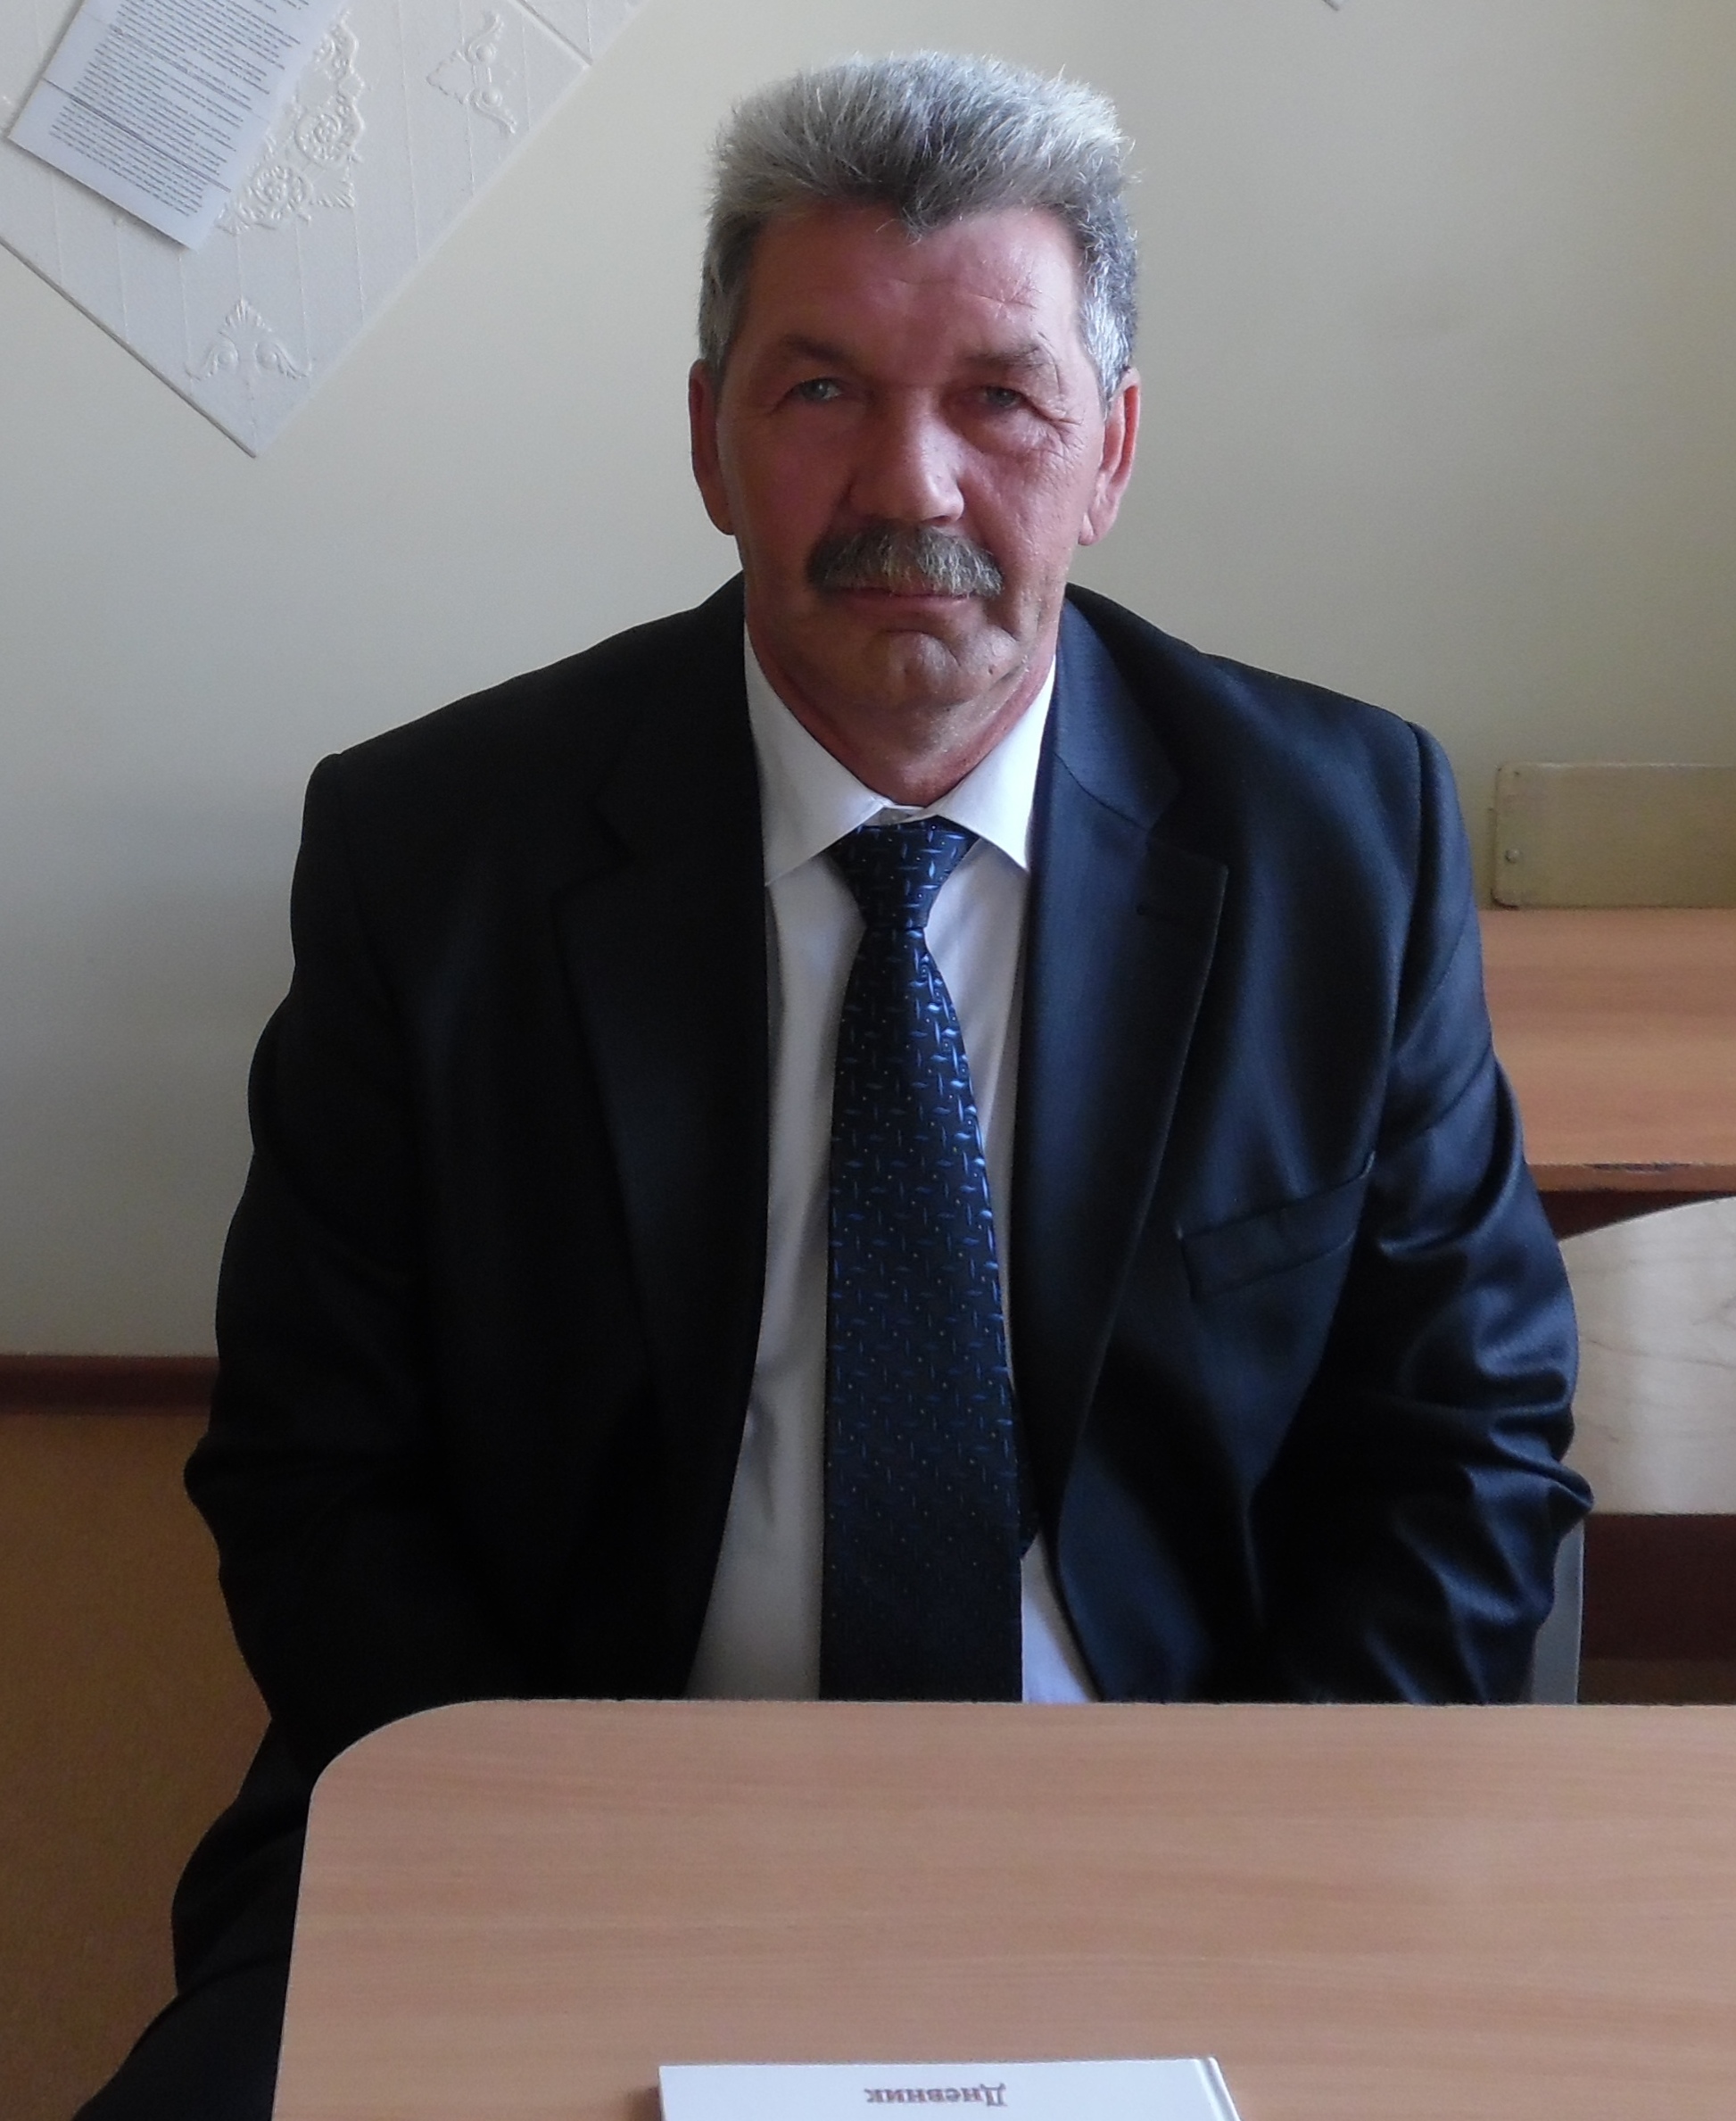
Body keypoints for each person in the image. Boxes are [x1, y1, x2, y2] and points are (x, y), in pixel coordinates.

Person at [78, 51, 1587, 2121]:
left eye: (1002, 398)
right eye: (821, 392)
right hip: (568, 1823)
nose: (914, 490)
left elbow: (1466, 1454)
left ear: (1112, 447)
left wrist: (1240, 1850)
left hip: (1192, 1837)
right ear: (709, 436)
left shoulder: (1341, 841)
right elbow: (314, 1469)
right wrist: (587, 1849)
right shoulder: (434, 855)